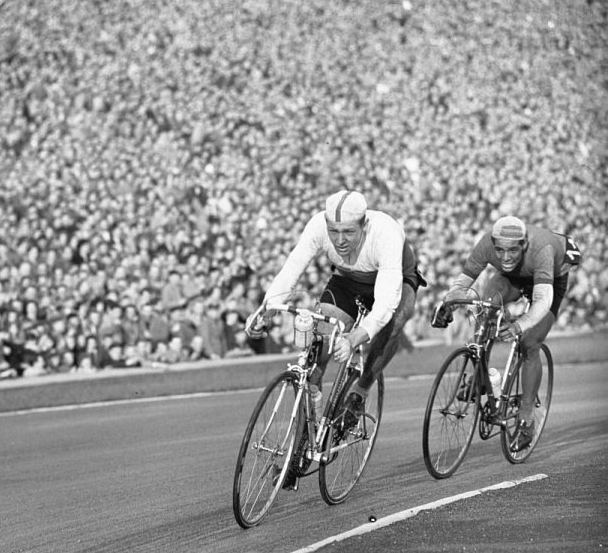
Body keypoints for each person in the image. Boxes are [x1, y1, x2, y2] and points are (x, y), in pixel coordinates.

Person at [246, 189, 426, 425]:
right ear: (326, 224)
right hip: (346, 280)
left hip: (396, 280)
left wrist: (353, 339)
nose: (340, 240)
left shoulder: (385, 232)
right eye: (334, 231)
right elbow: (292, 269)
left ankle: (360, 392)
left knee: (392, 326)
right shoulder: (317, 225)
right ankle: (310, 425)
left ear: (364, 224)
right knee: (320, 341)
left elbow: (385, 304)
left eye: (349, 232)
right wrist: (266, 310)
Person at [432, 216, 581, 451]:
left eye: (512, 250)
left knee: (530, 343)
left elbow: (543, 301)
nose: (505, 256)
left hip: (548, 281)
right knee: (485, 310)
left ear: (524, 244)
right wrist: (447, 305)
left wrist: (519, 326)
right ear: (493, 244)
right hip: (511, 279)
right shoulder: (485, 244)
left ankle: (526, 419)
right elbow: (463, 283)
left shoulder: (541, 249)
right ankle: (479, 378)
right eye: (499, 250)